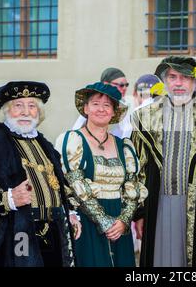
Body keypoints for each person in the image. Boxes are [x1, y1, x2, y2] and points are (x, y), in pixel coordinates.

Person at [0, 81, 81, 267]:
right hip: (17, 235)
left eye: (32, 105)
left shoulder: (45, 145)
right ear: (6, 110)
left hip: (53, 235)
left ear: (39, 112)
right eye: (18, 105)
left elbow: (61, 185)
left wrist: (72, 213)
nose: (26, 112)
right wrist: (8, 200)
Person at [131, 56, 196, 267]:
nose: (178, 83)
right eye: (173, 77)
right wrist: (139, 212)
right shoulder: (145, 116)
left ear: (195, 82)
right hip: (158, 205)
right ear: (164, 80)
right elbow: (137, 169)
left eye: (185, 77)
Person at [56, 82, 147, 267]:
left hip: (120, 224)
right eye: (96, 104)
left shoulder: (124, 146)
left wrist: (123, 221)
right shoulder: (72, 140)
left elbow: (133, 186)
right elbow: (74, 184)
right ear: (86, 108)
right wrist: (104, 222)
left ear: (114, 112)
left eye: (107, 105)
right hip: (88, 223)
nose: (101, 109)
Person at [72, 68, 132, 138]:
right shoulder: (92, 108)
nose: (124, 88)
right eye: (121, 85)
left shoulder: (127, 104)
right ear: (106, 84)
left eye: (126, 85)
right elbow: (76, 132)